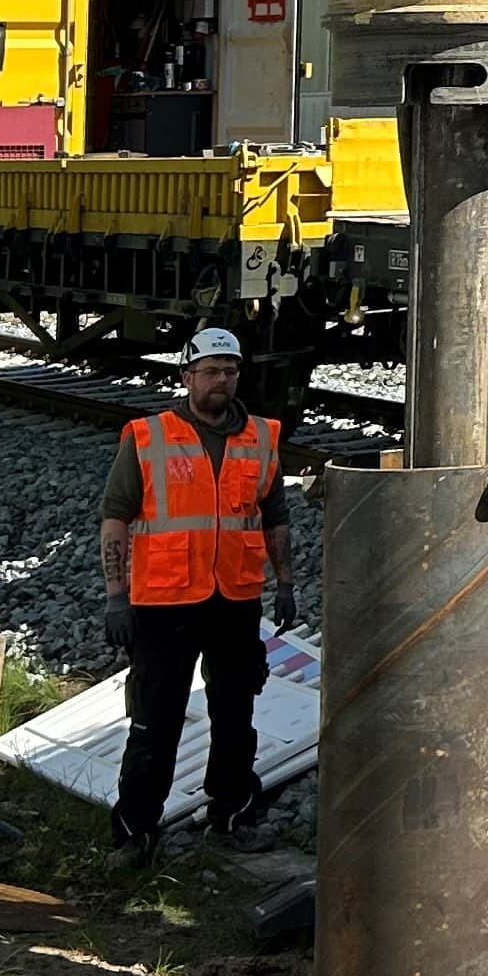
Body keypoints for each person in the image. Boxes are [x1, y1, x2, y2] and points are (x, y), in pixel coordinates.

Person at [99, 327, 295, 849]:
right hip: (164, 603)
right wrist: (117, 595)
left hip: (234, 598)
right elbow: (115, 517)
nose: (221, 381)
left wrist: (285, 584)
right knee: (155, 717)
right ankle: (135, 827)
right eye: (210, 371)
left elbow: (274, 514)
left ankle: (232, 810)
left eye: (230, 371)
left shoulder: (260, 437)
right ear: (187, 377)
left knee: (235, 710)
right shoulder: (149, 436)